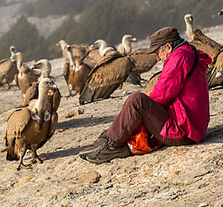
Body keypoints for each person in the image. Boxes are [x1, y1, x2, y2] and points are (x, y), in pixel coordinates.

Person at [79, 26, 212, 164]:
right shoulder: (188, 52)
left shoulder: (179, 58)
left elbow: (161, 95)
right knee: (139, 103)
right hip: (192, 127)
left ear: (168, 47)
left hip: (183, 132)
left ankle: (112, 143)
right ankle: (111, 138)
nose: (157, 57)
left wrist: (138, 116)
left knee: (137, 100)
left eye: (157, 52)